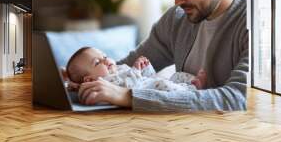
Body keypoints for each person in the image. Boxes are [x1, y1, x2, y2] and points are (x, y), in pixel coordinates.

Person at [78, 0, 248, 111]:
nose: (177, 1)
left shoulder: (251, 22)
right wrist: (83, 78)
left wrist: (127, 96)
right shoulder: (176, 18)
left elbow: (237, 98)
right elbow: (126, 67)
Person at [66, 47, 208, 95]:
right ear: (89, 80)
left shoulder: (119, 69)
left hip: (152, 83)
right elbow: (128, 88)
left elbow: (148, 77)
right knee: (167, 86)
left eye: (104, 56)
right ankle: (191, 90)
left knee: (176, 75)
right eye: (97, 62)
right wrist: (135, 70)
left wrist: (145, 67)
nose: (105, 60)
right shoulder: (107, 83)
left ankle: (193, 82)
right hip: (153, 91)